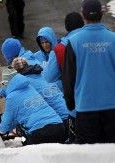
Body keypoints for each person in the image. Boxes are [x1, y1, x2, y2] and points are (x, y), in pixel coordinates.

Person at [62, 0, 115, 144]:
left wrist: (70, 103)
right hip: (112, 107)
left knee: (88, 155)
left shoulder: (73, 42)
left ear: (82, 14)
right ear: (102, 14)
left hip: (85, 107)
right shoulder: (113, 40)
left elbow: (68, 78)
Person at [42, 12, 84, 143]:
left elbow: (48, 77)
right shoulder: (102, 39)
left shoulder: (60, 48)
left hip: (77, 105)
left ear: (67, 28)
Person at [0, 73, 65, 145]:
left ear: (7, 83)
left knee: (29, 154)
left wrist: (1, 130)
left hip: (41, 129)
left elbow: (7, 120)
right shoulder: (29, 88)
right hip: (58, 125)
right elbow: (18, 118)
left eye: (3, 84)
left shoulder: (11, 98)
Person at [12, 57, 69, 142]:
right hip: (68, 114)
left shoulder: (25, 82)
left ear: (16, 71)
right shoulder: (43, 74)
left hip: (56, 120)